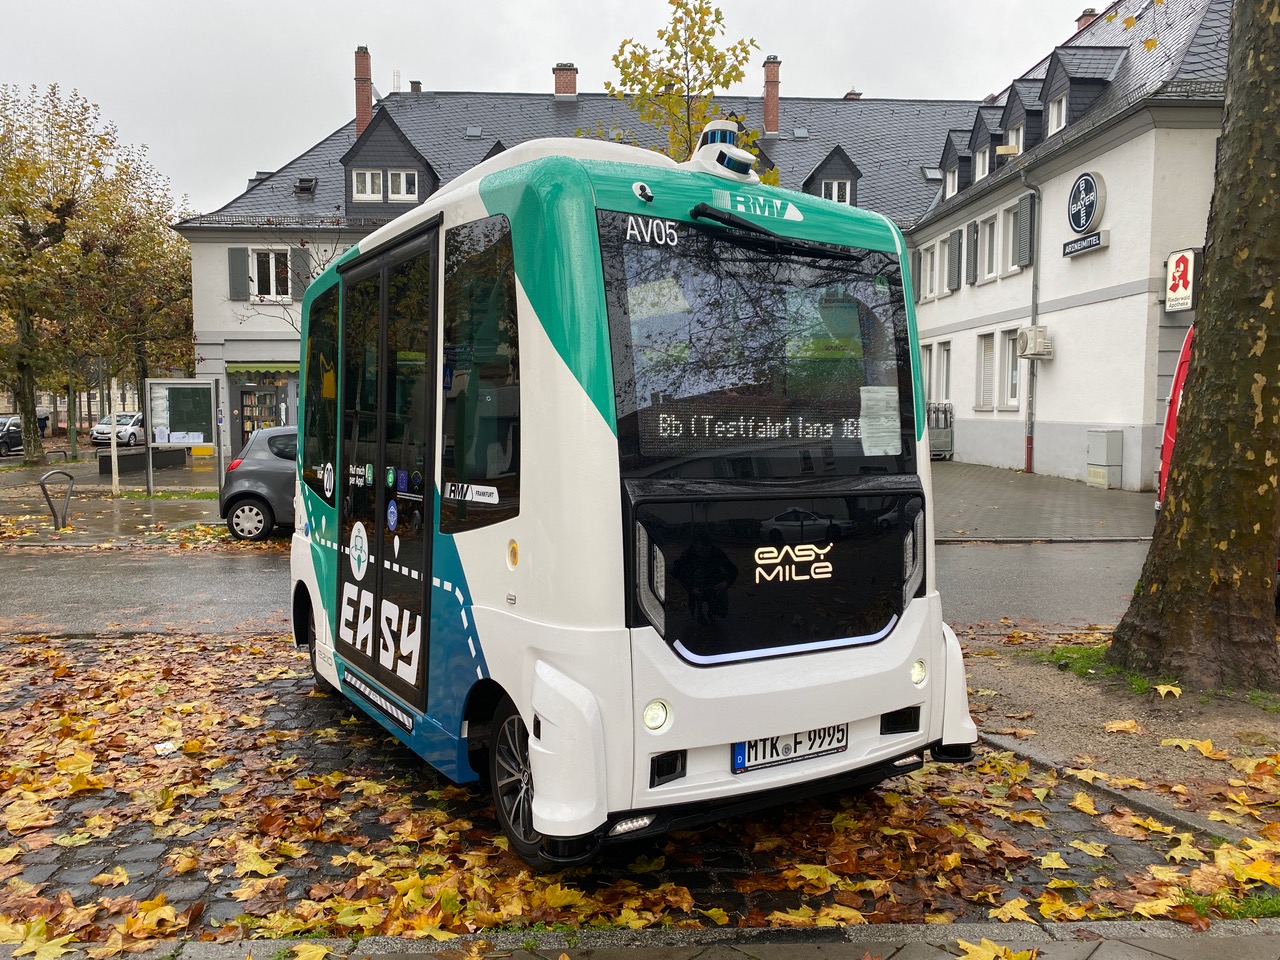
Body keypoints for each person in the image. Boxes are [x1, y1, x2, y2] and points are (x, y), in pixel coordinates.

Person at [671, 533, 738, 625]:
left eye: (706, 549)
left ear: (710, 546)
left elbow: (733, 570)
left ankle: (712, 611)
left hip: (715, 587)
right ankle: (699, 613)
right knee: (699, 575)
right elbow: (677, 573)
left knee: (723, 613)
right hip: (696, 587)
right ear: (694, 545)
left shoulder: (716, 553)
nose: (703, 553)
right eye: (700, 549)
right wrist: (691, 588)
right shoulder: (688, 555)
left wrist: (725, 583)